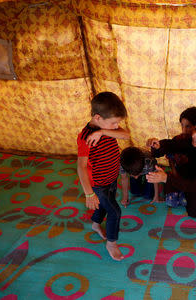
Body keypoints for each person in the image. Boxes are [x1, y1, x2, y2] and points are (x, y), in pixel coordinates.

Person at [77, 91, 129, 261]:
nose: (116, 126)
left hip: (112, 178)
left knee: (102, 206)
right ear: (98, 118)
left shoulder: (107, 130)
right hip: (99, 184)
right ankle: (112, 243)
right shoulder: (85, 137)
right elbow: (81, 167)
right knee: (115, 211)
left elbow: (126, 134)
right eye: (114, 123)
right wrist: (89, 193)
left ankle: (95, 224)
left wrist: (104, 132)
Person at [146, 106, 196, 207]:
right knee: (171, 202)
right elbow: (170, 145)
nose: (184, 130)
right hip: (177, 177)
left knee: (188, 201)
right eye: (182, 126)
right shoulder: (179, 139)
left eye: (188, 126)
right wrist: (158, 146)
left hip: (193, 181)